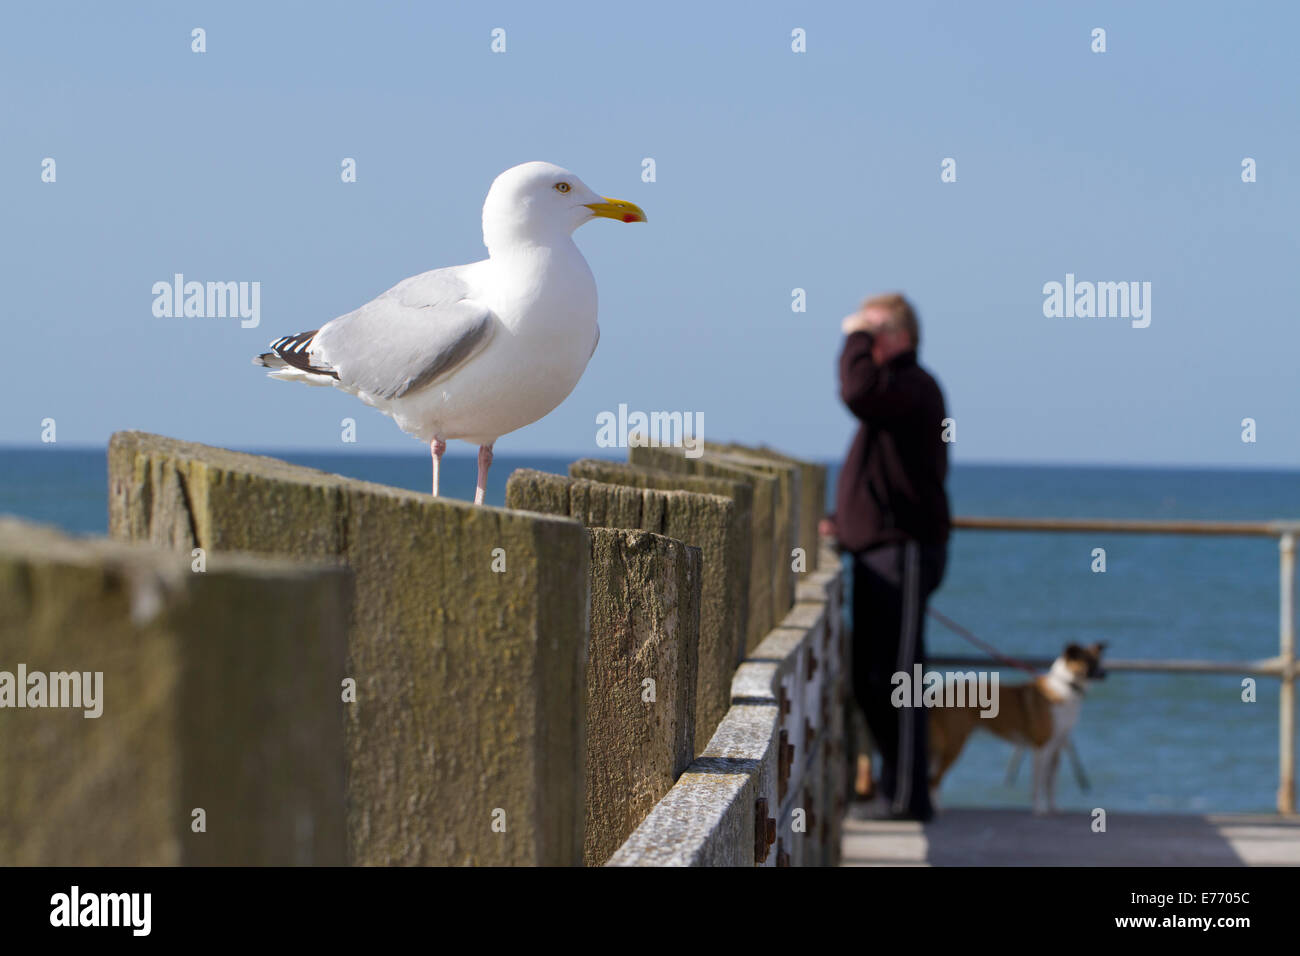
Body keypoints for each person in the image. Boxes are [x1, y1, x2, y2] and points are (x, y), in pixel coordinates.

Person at [822, 293, 951, 822]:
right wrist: (842, 523)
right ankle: (894, 789)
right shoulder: (895, 392)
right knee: (870, 678)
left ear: (896, 336)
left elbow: (855, 393)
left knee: (899, 678)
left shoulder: (911, 386)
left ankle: (908, 799)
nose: (862, 347)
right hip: (881, 551)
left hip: (905, 552)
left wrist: (853, 334)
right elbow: (876, 474)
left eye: (871, 335)